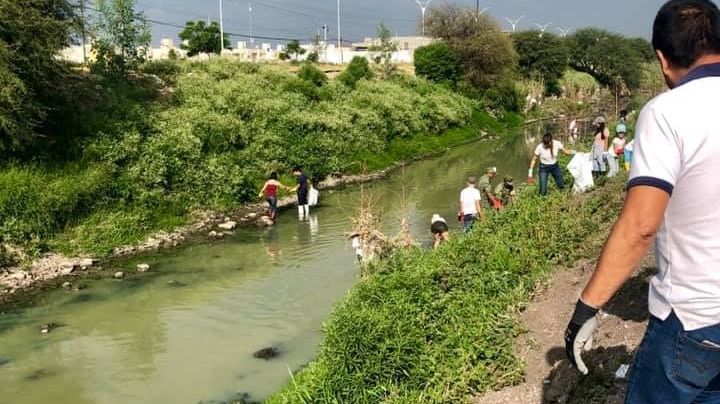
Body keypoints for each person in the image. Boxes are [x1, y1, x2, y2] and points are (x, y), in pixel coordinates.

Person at [564, 2, 720, 402]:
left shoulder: (668, 112)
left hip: (695, 319)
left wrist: (587, 307)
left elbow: (640, 226)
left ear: (662, 58)